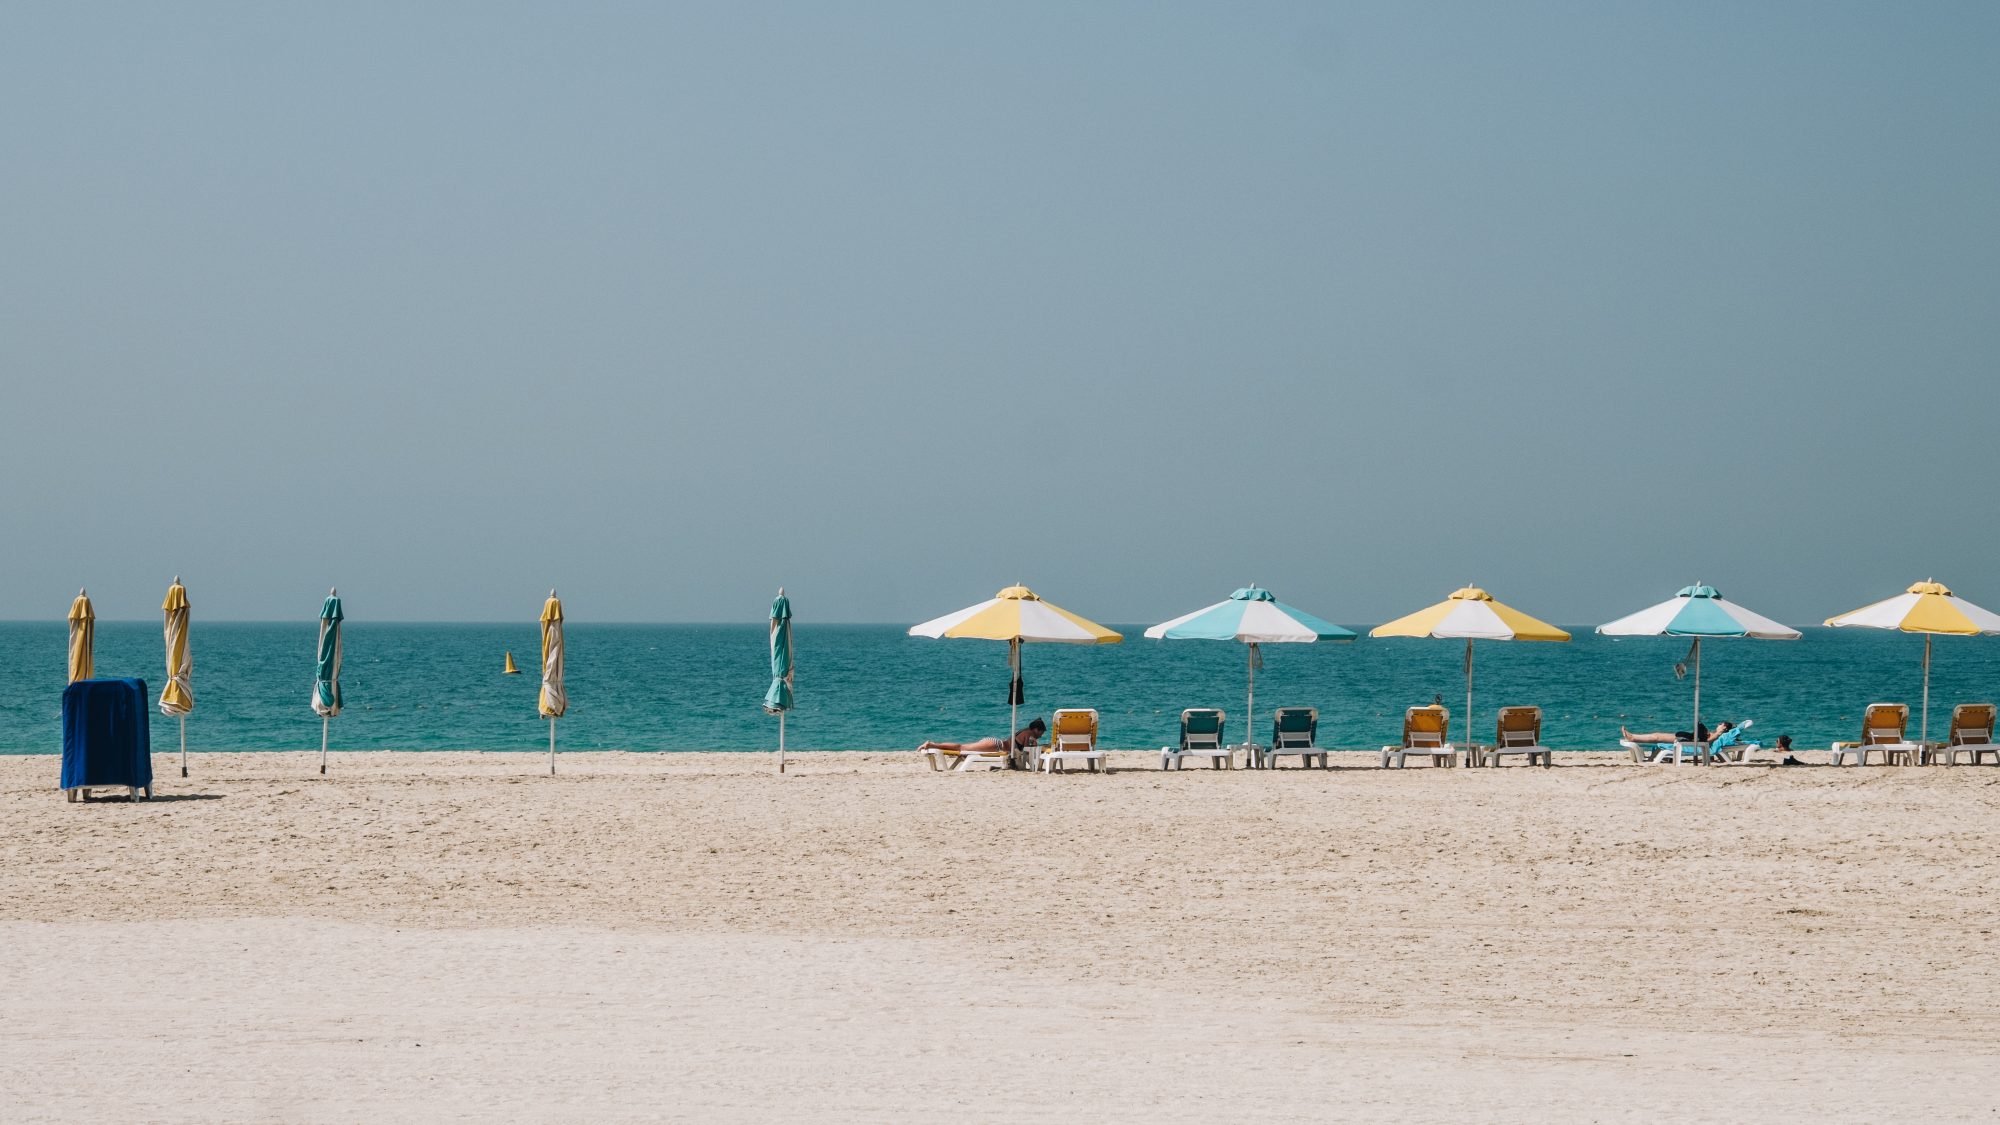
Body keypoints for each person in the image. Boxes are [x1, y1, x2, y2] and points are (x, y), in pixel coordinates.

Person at [919, 719, 1045, 765]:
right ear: (1036, 729)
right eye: (1041, 733)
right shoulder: (1030, 736)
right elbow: (1032, 753)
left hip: (995, 743)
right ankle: (931, 744)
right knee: (961, 748)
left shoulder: (1024, 731)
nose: (1041, 735)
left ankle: (933, 744)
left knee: (962, 747)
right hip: (996, 746)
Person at [1621, 720, 1732, 745]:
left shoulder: (1718, 735)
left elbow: (1707, 741)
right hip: (1688, 737)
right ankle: (1633, 737)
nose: (1718, 724)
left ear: (1724, 727)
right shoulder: (1716, 734)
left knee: (1657, 737)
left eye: (1721, 723)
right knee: (1657, 735)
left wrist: (1718, 733)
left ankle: (1633, 738)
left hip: (1687, 741)